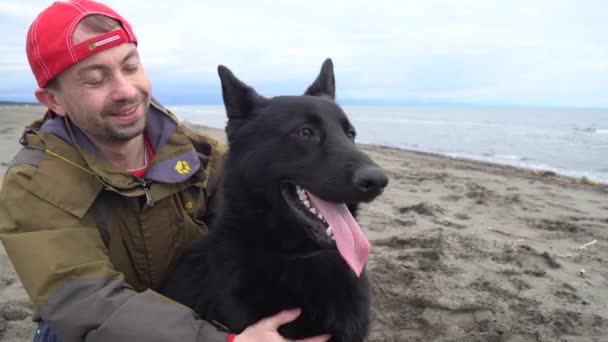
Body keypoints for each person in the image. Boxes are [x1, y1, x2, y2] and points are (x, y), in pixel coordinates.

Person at [0, 1, 331, 342]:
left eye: (130, 67)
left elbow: (254, 238)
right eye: (96, 80)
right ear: (53, 100)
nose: (126, 91)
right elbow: (85, 304)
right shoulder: (35, 184)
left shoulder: (202, 155)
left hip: (194, 308)